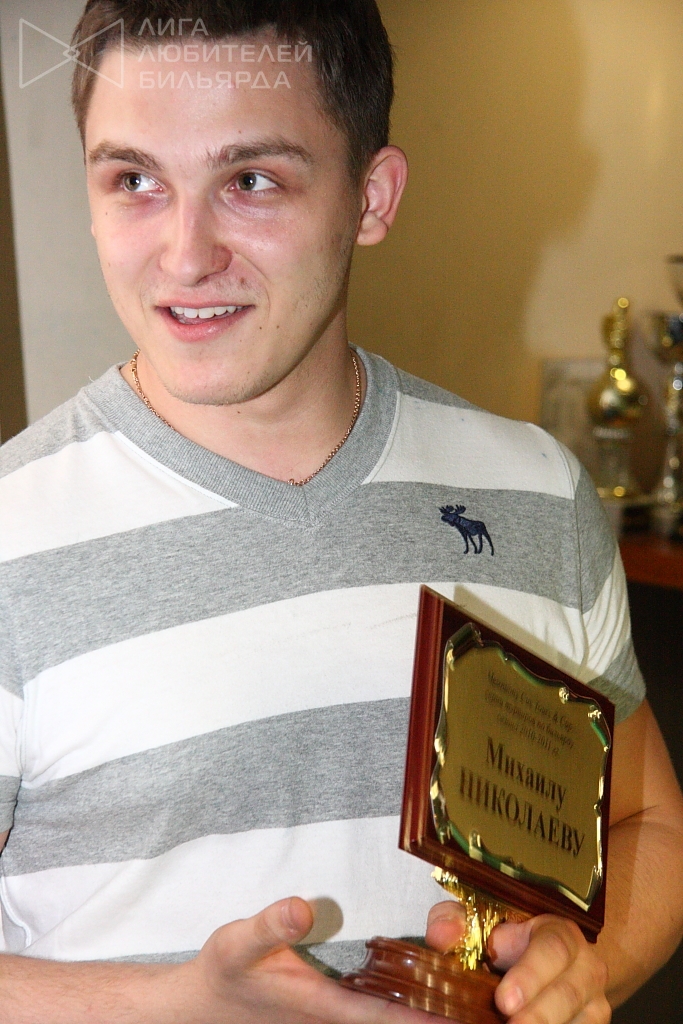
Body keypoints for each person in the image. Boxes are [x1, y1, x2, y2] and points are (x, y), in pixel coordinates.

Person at [0, 2, 682, 1021]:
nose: (184, 256)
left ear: (371, 196)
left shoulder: (534, 493)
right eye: (134, 180)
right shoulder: (13, 536)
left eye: (250, 181)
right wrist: (175, 1001)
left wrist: (582, 964)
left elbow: (643, 824)